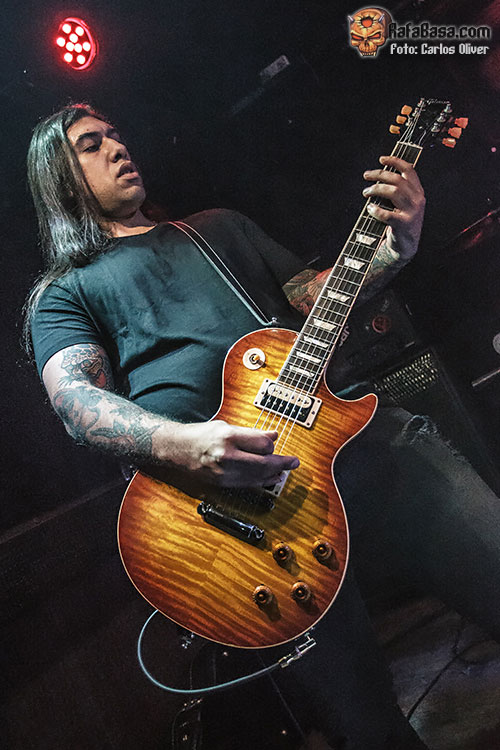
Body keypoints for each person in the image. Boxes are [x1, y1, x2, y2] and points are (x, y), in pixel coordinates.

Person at [25, 103, 500, 749]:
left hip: (359, 444)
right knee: (365, 723)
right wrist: (187, 446)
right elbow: (76, 399)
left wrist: (397, 246)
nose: (116, 147)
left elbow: (317, 296)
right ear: (58, 176)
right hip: (235, 513)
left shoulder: (217, 229)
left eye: (116, 135)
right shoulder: (64, 292)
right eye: (90, 144)